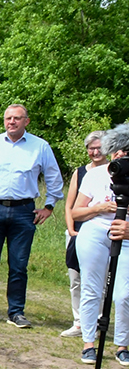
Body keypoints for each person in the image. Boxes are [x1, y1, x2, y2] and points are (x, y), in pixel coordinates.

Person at [0, 104, 64, 328]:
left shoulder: (40, 147)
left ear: (26, 121)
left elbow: (54, 178)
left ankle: (16, 312)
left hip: (24, 211)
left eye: (17, 118)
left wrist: (49, 206)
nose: (12, 122)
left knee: (19, 264)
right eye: (8, 118)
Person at [73, 124, 129, 365]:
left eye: (126, 150)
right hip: (95, 233)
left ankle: (122, 345)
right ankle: (88, 343)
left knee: (125, 294)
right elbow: (76, 212)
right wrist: (98, 209)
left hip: (125, 237)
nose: (121, 155)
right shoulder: (96, 175)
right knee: (91, 288)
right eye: (117, 150)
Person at [61, 131, 107, 337]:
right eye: (91, 148)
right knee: (76, 278)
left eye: (99, 148)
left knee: (101, 280)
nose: (95, 152)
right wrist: (71, 231)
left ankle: (96, 322)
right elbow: (70, 205)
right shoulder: (80, 173)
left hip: (103, 232)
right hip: (78, 231)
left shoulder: (115, 173)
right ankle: (79, 321)